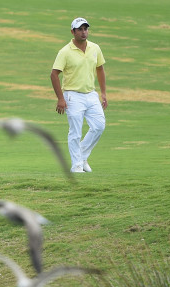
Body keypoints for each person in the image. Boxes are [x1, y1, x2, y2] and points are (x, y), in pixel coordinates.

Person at [50, 17, 107, 174]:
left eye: (86, 29)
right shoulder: (65, 52)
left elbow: (100, 69)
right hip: (72, 95)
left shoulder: (95, 48)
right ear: (73, 32)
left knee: (99, 126)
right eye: (80, 29)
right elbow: (54, 74)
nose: (84, 32)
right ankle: (76, 166)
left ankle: (81, 156)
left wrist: (103, 93)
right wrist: (60, 98)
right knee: (75, 131)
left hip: (91, 94)